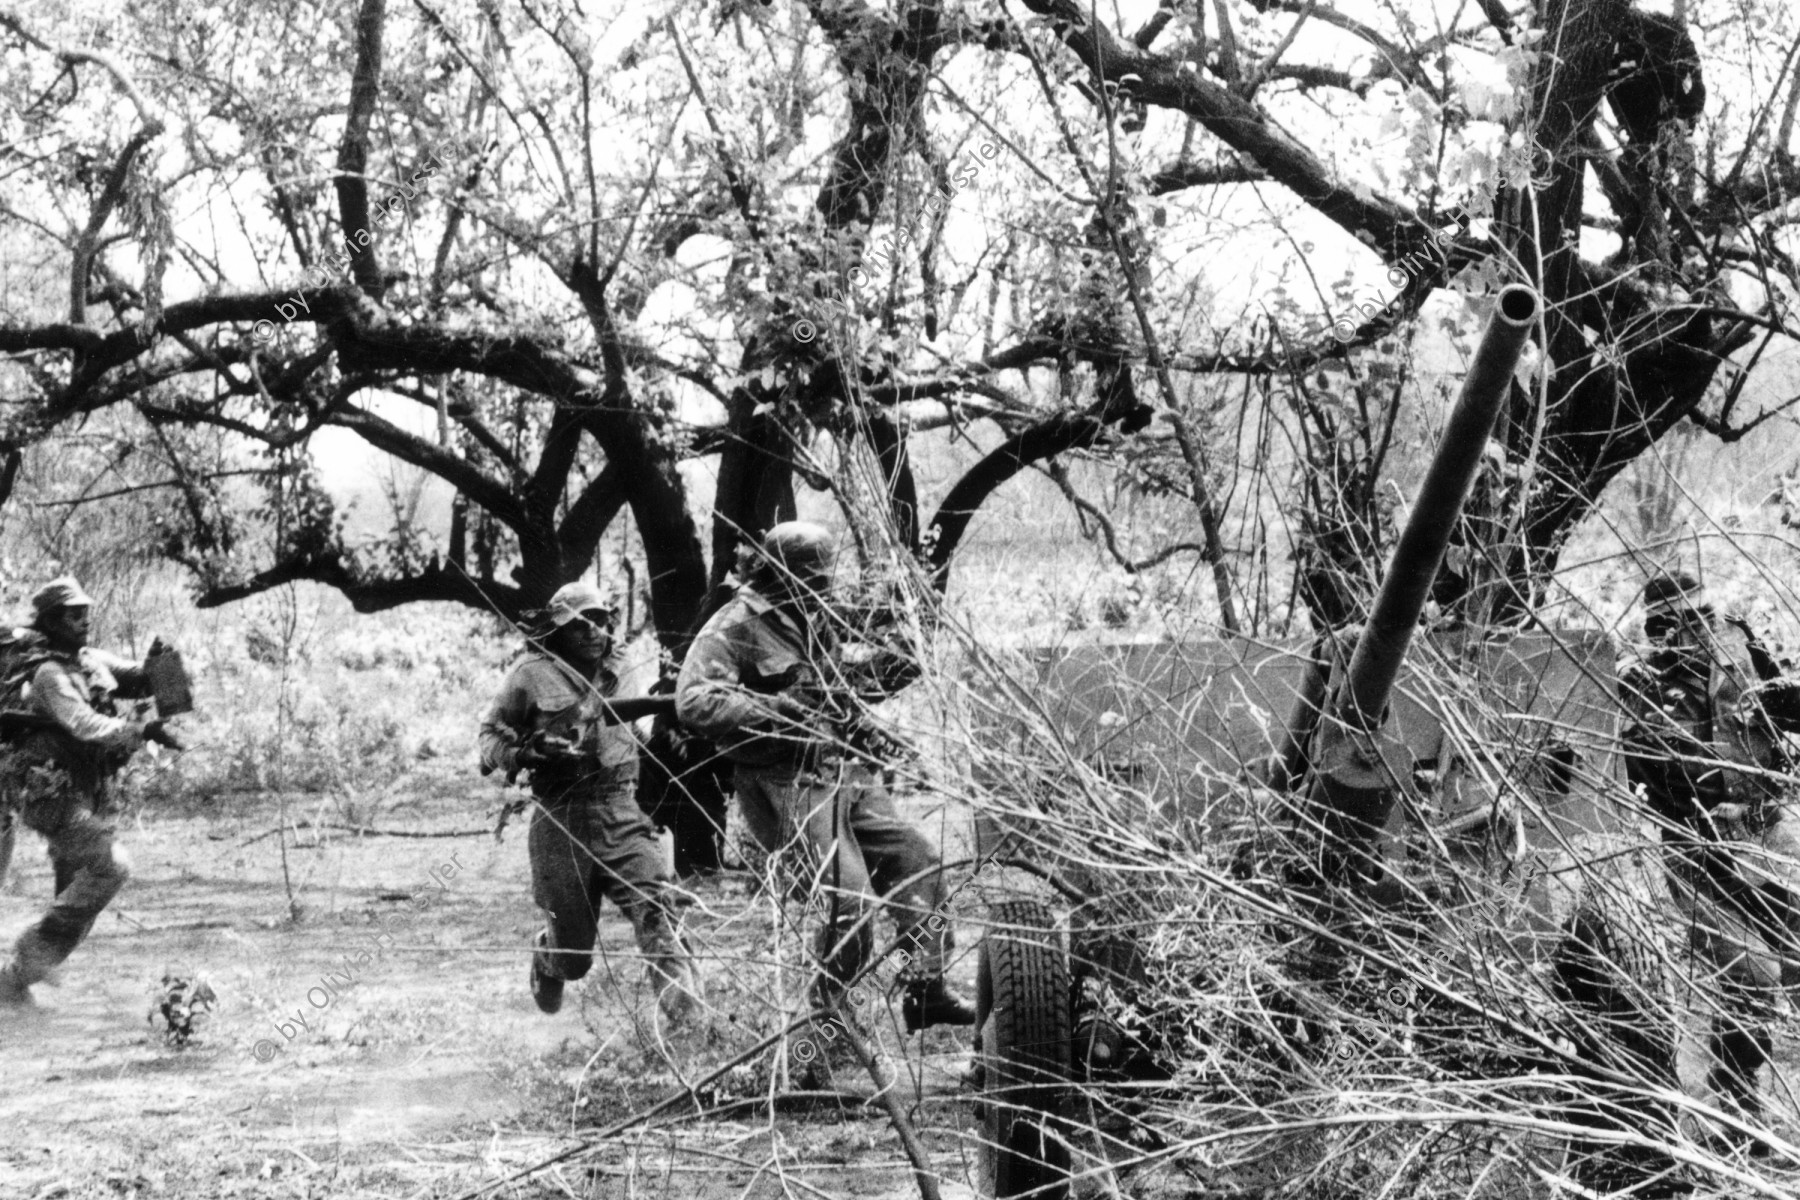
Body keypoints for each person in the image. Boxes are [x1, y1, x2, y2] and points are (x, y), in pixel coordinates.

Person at [675, 521, 975, 1032]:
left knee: (918, 864)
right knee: (849, 904)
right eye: (816, 575)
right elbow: (693, 701)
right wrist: (773, 707)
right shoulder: (735, 625)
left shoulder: (814, 620)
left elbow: (840, 694)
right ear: (785, 575)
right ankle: (823, 1021)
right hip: (784, 783)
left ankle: (924, 989)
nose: (827, 586)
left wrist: (904, 664)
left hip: (844, 771)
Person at [1617, 570, 1800, 1148]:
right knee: (1749, 971)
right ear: (1657, 628)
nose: (1696, 630)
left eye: (1703, 616)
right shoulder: (1640, 683)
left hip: (1767, 829)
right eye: (1678, 623)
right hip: (1699, 853)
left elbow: (1781, 712)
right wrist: (1702, 808)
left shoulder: (1741, 641)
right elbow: (1640, 771)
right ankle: (1739, 1110)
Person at [478, 581, 700, 1024]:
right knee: (574, 956)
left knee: (658, 912)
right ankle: (548, 957)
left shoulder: (620, 665)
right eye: (579, 625)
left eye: (599, 621)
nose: (592, 632)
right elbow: (488, 737)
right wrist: (525, 752)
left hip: (621, 811)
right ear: (556, 631)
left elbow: (621, 728)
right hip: (562, 820)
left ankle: (688, 1025)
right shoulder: (529, 674)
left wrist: (662, 739)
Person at [0, 576, 180, 1006]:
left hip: (84, 788)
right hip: (48, 790)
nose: (83, 621)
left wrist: (164, 664)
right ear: (50, 622)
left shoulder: (87, 659)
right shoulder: (47, 673)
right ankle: (25, 961)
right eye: (72, 614)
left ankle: (17, 982)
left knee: (79, 893)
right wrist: (143, 731)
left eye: (84, 613)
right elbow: (86, 724)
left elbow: (137, 680)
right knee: (109, 867)